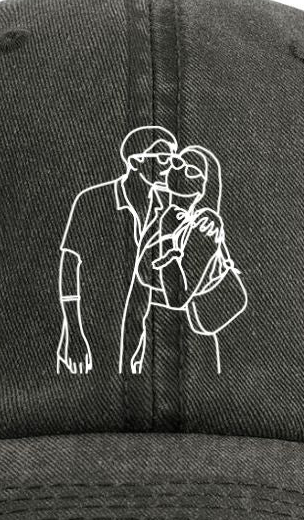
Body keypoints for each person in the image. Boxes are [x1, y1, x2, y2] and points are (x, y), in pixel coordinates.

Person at [57, 126, 176, 374]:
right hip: (90, 332)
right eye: (164, 158)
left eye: (174, 159)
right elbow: (69, 266)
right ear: (136, 161)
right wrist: (75, 333)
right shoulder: (92, 200)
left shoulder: (168, 210)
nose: (170, 166)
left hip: (140, 338)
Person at [122, 145, 244, 374]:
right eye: (177, 163)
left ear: (204, 187)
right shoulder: (162, 212)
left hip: (189, 343)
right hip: (153, 334)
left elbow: (177, 296)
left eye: (192, 171)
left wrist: (168, 245)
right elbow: (142, 273)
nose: (179, 170)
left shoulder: (204, 226)